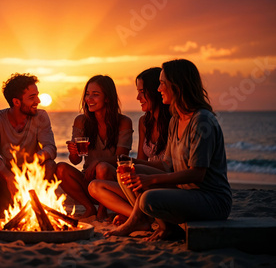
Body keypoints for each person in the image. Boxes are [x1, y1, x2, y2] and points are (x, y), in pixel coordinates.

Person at [106, 59, 232, 241]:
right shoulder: (175, 120)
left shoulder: (201, 121)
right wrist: (132, 163)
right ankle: (164, 226)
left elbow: (197, 174)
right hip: (185, 192)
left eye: (162, 84)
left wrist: (151, 180)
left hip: (211, 200)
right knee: (125, 173)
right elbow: (167, 164)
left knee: (148, 198)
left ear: (177, 86)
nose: (159, 89)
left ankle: (141, 221)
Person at [88, 68, 171, 225]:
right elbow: (141, 159)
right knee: (94, 187)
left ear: (155, 91)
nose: (138, 97)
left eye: (142, 92)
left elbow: (169, 167)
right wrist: (132, 164)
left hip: (160, 183)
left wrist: (134, 164)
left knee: (121, 170)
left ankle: (136, 216)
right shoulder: (144, 122)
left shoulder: (173, 122)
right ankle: (137, 216)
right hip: (142, 185)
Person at [56, 75, 133, 220]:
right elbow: (75, 161)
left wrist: (97, 162)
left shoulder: (123, 122)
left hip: (113, 185)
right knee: (60, 168)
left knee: (102, 167)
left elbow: (122, 158)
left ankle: (102, 211)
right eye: (87, 94)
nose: (89, 99)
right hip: (89, 180)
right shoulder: (81, 121)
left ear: (108, 98)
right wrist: (73, 152)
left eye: (95, 95)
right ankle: (90, 208)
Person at [0, 73, 57, 211]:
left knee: (50, 164)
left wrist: (34, 161)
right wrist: (8, 176)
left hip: (31, 174)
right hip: (4, 178)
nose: (38, 101)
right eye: (32, 98)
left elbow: (50, 148)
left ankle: (32, 205)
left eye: (37, 95)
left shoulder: (41, 116)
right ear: (16, 102)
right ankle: (10, 207)